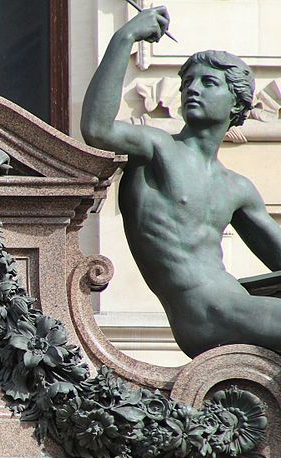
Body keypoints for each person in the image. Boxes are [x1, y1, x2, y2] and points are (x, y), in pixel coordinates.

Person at [81, 6, 281, 358]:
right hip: (204, 314)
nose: (192, 89)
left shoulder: (238, 188)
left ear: (237, 102)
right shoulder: (156, 148)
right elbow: (97, 129)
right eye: (188, 82)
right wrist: (124, 37)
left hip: (234, 304)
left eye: (208, 82)